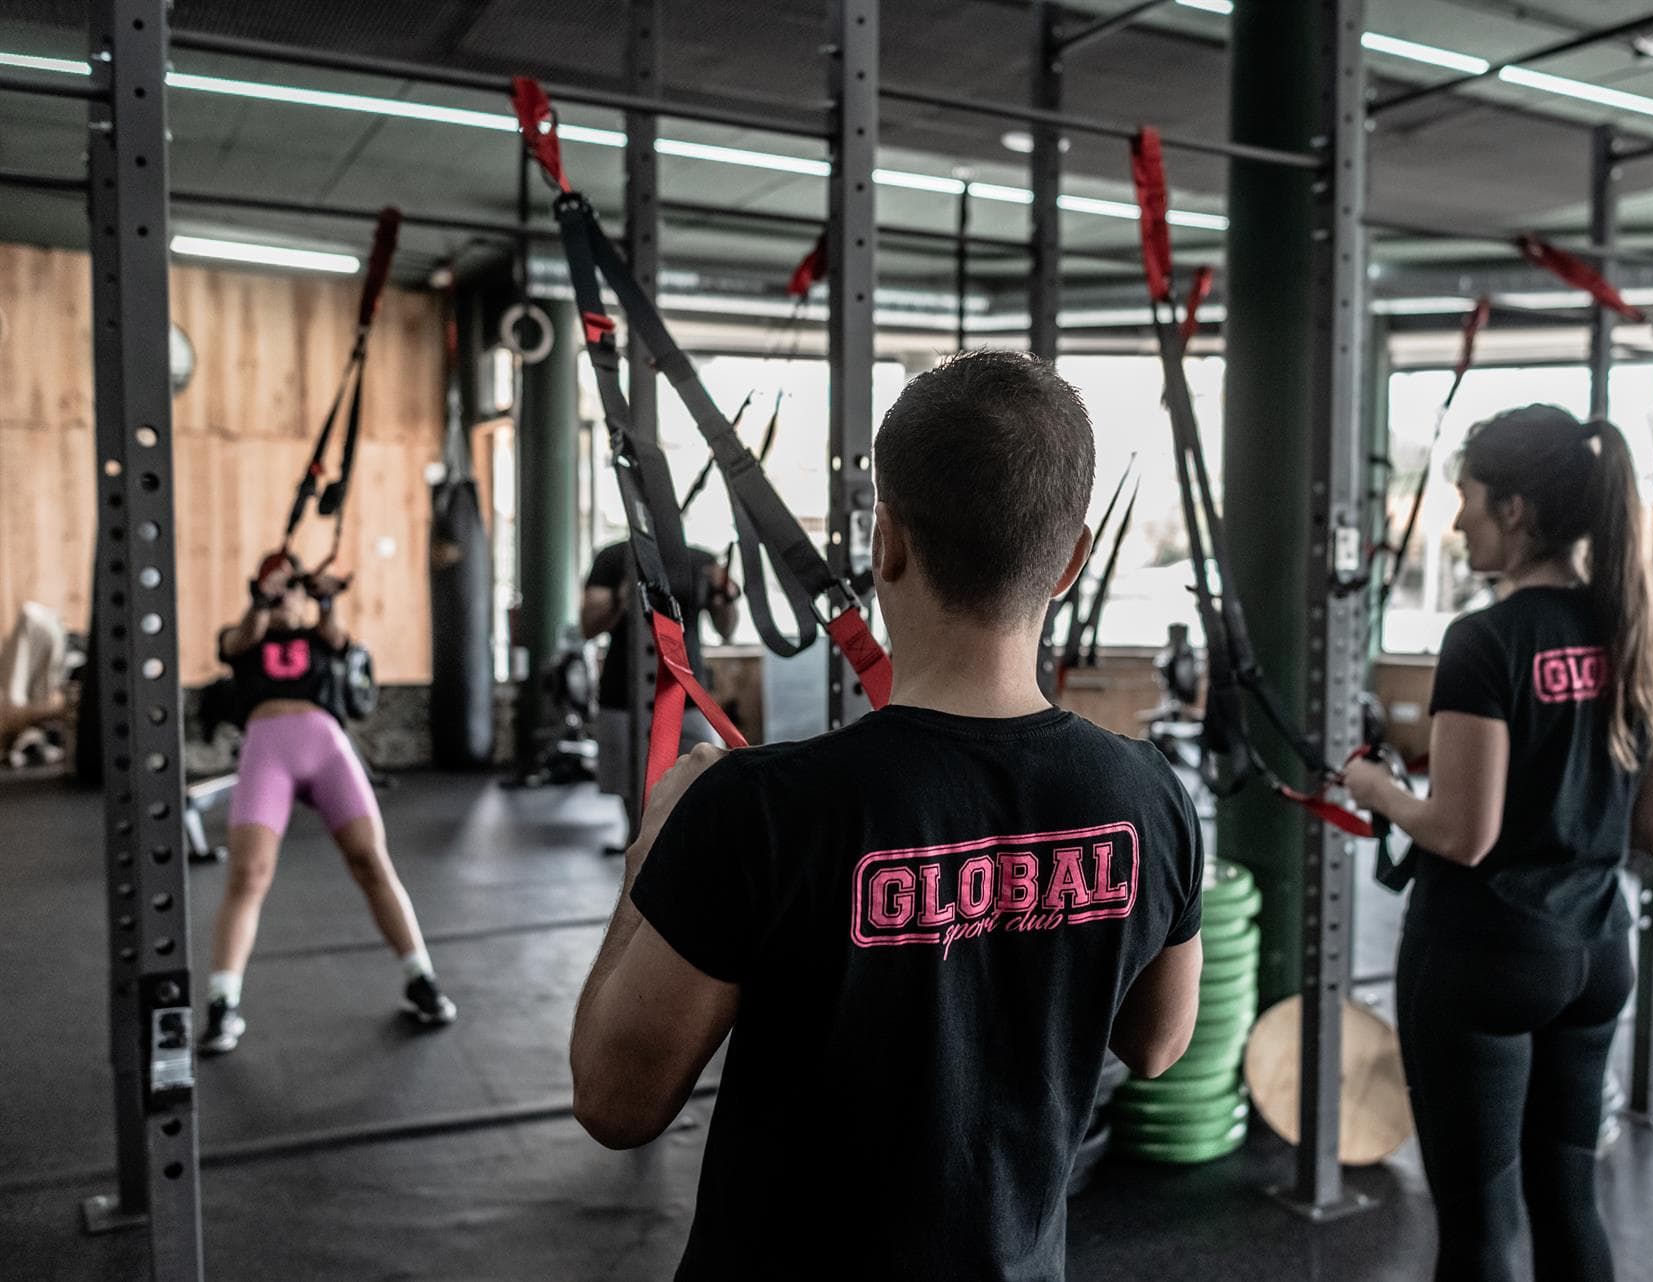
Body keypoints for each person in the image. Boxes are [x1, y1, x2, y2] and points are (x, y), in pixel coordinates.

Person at [568, 351, 1205, 1279]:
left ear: (885, 542)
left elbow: (613, 1103)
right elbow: (1156, 1044)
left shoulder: (758, 812)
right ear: (1072, 557)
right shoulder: (1147, 796)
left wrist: (647, 867)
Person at [1345, 405, 1653, 1282]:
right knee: (1570, 1200)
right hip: (1598, 950)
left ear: (1516, 510)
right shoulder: (1632, 631)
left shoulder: (1485, 641)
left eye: (1468, 499)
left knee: (1479, 1227)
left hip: (1484, 959)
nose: (1457, 521)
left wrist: (1378, 789)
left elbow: (1463, 832)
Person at [199, 552, 455, 1055]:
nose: (284, 596)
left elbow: (338, 637)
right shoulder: (245, 634)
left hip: (326, 745)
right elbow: (235, 643)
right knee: (248, 874)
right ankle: (221, 1003)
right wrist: (262, 602)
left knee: (371, 862)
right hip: (267, 750)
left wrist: (325, 598)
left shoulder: (321, 634)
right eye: (275, 587)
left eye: (291, 587)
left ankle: (420, 978)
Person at [580, 540, 739, 854]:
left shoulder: (701, 560)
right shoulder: (614, 558)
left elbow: (727, 629)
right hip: (622, 694)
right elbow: (588, 626)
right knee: (633, 796)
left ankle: (688, 852)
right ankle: (638, 850)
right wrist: (621, 596)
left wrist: (723, 598)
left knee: (704, 781)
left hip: (688, 692)